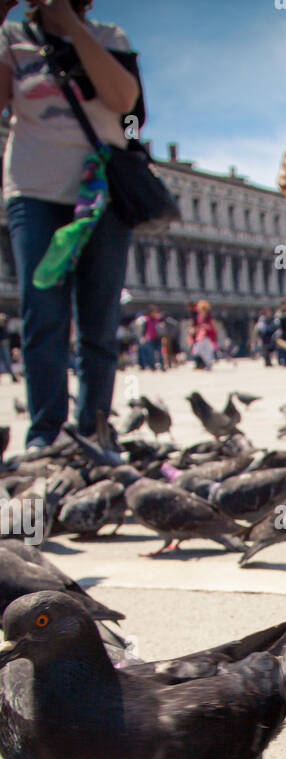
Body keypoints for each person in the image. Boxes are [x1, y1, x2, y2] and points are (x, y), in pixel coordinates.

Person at [0, 0, 140, 448]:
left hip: (103, 189)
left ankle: (95, 429)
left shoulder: (108, 36)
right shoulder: (12, 40)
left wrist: (72, 28)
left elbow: (125, 101)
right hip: (34, 188)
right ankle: (47, 432)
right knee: (43, 314)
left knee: (100, 319)